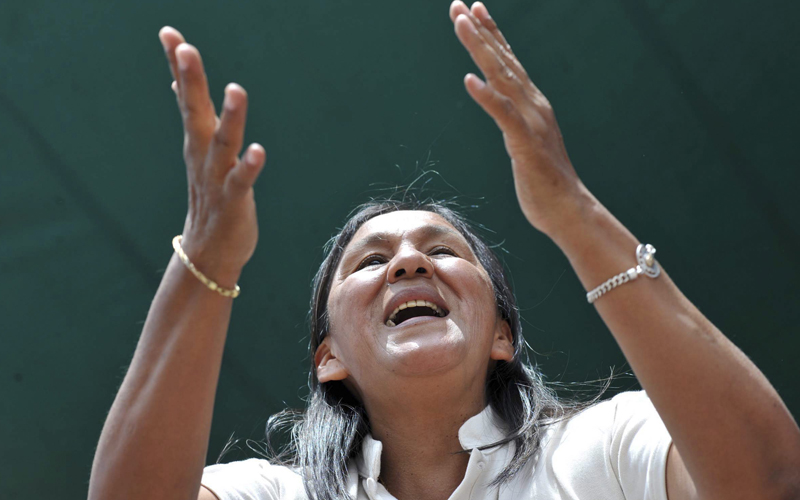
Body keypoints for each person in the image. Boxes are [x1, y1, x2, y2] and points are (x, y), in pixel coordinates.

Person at [87, 2, 800, 499]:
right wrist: (206, 265)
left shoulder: (602, 451)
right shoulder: (277, 492)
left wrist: (573, 212)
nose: (408, 262)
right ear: (327, 355)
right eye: (370, 261)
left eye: (442, 249)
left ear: (501, 336)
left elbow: (769, 481)